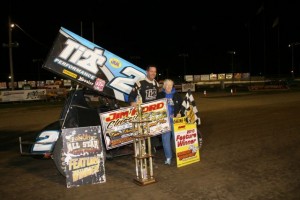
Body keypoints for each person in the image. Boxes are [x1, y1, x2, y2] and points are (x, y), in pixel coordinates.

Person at [128, 65, 161, 149]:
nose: (153, 73)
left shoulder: (156, 84)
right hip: (142, 113)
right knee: (143, 133)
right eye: (151, 71)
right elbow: (131, 95)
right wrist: (132, 102)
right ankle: (142, 149)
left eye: (155, 71)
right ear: (147, 72)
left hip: (153, 113)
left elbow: (158, 98)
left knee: (153, 131)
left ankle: (152, 148)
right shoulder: (140, 83)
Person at [157, 79, 183, 165]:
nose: (168, 87)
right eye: (167, 85)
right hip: (164, 121)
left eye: (170, 85)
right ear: (164, 86)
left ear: (172, 86)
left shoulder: (177, 95)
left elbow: (182, 107)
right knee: (165, 140)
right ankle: (168, 157)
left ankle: (180, 155)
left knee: (177, 139)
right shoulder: (160, 95)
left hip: (175, 120)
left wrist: (179, 114)